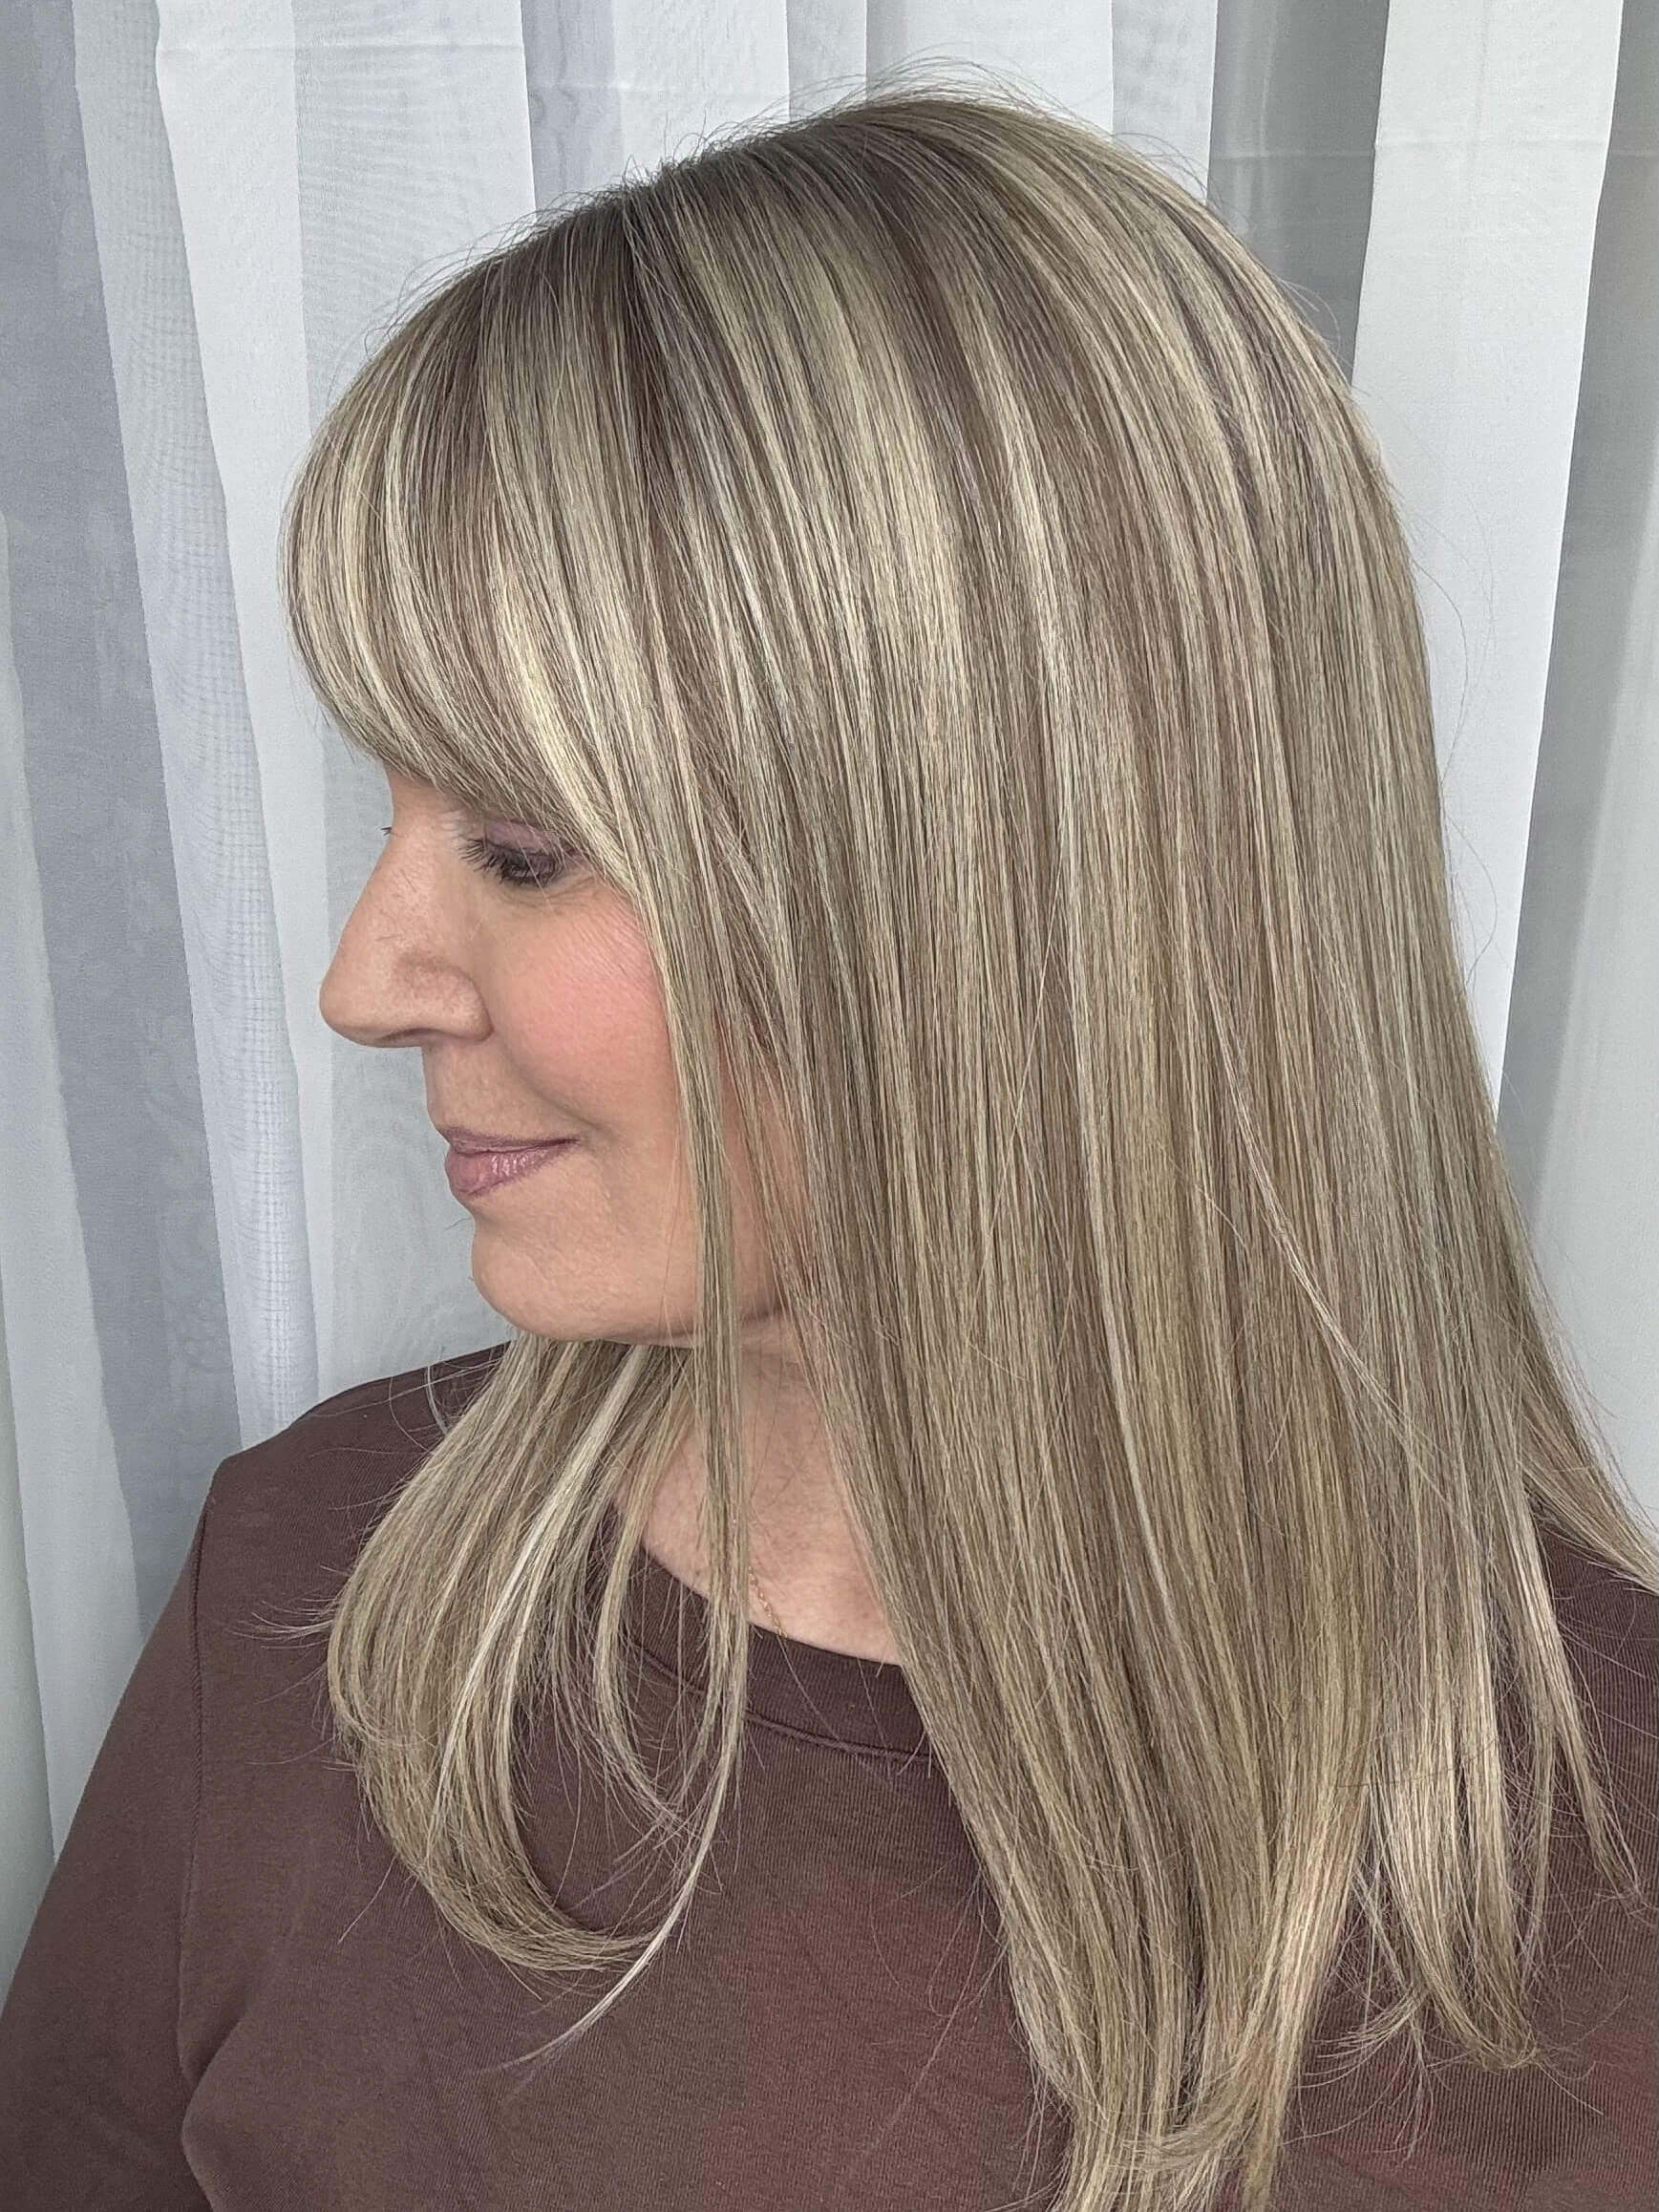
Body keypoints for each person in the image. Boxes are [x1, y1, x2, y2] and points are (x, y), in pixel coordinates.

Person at [1, 77, 1653, 2212]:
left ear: (991, 887)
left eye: (521, 846)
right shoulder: (312, 1600)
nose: (365, 980)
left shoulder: (1591, 1883)